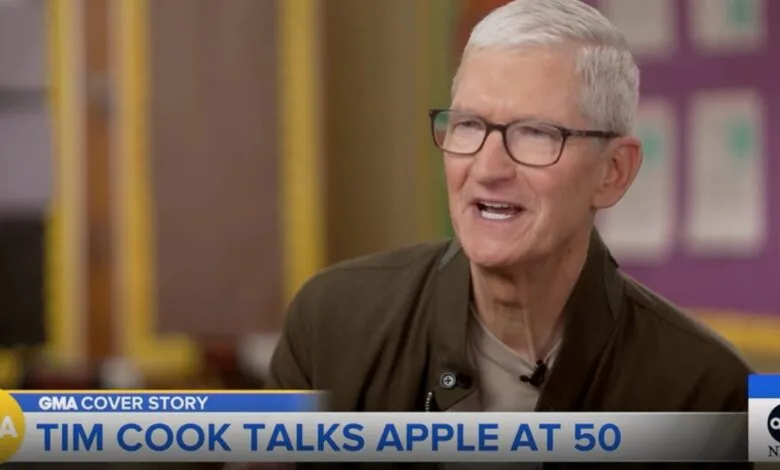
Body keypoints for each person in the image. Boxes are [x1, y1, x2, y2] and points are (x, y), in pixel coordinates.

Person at [268, 0, 752, 466]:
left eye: (536, 133)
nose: (488, 166)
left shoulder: (710, 397)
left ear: (613, 172)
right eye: (468, 125)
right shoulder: (330, 327)